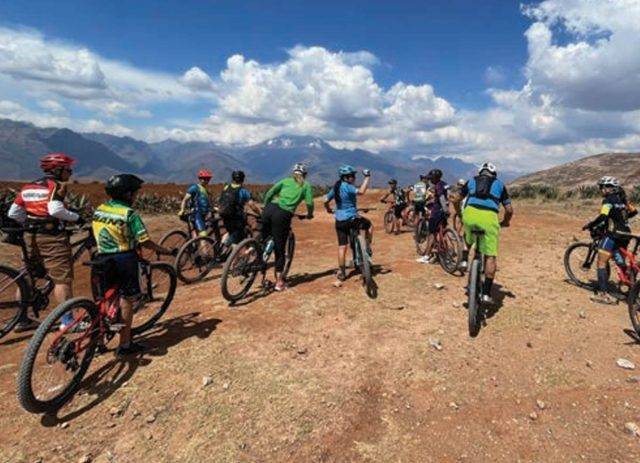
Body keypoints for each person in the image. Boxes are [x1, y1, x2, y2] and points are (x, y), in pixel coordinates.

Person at [92, 174, 175, 356]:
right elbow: (145, 241)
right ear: (128, 194)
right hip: (123, 259)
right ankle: (125, 344)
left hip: (102, 257)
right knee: (127, 299)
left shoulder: (100, 209)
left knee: (104, 299)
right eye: (135, 193)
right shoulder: (130, 214)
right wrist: (166, 251)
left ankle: (98, 343)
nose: (137, 196)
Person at [8, 153, 84, 332]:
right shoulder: (56, 186)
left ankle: (22, 319)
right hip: (51, 238)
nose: (70, 173)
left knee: (28, 276)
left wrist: (31, 221)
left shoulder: (28, 187)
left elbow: (13, 212)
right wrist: (77, 218)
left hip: (29, 236)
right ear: (58, 170)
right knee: (62, 279)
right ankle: (68, 322)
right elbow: (55, 209)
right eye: (68, 169)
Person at [459, 162, 513, 303]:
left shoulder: (471, 181)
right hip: (489, 219)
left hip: (470, 215)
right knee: (490, 256)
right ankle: (486, 294)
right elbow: (509, 210)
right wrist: (506, 222)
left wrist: (461, 214)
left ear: (480, 172)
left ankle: (464, 261)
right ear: (494, 174)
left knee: (467, 237)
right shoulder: (500, 185)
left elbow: (456, 199)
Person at [583, 176, 637, 305]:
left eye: (601, 187)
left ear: (608, 188)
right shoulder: (623, 199)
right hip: (626, 234)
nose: (601, 190)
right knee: (620, 259)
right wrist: (622, 218)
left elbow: (603, 216)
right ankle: (631, 287)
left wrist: (590, 225)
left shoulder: (607, 201)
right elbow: (634, 212)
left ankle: (603, 295)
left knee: (601, 262)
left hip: (614, 234)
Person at [262, 163, 314, 291]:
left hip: (269, 209)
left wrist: (265, 206)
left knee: (263, 240)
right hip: (283, 214)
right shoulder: (306, 185)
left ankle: (250, 253)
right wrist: (310, 214)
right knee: (280, 250)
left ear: (293, 173)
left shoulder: (285, 180)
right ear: (305, 175)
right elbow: (309, 202)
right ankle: (279, 282)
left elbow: (270, 193)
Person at [324, 165, 372, 283]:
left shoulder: (335, 187)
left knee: (342, 246)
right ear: (346, 177)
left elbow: (325, 200)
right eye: (352, 176)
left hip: (339, 221)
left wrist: (328, 209)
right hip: (351, 218)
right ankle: (367, 247)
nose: (354, 178)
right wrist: (367, 177)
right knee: (369, 225)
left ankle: (342, 273)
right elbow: (361, 192)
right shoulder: (348, 186)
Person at [217, 170, 262, 245]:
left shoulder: (226, 187)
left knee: (230, 231)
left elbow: (221, 199)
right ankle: (228, 246)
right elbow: (252, 205)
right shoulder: (243, 191)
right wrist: (259, 213)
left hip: (224, 214)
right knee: (240, 233)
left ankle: (223, 245)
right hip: (236, 217)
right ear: (242, 180)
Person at [416, 169, 449, 264]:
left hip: (437, 212)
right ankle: (444, 253)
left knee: (432, 234)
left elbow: (442, 198)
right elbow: (447, 197)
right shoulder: (444, 184)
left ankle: (426, 256)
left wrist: (444, 208)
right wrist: (447, 209)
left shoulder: (438, 186)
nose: (430, 180)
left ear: (435, 178)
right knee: (442, 232)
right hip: (443, 212)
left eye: (431, 178)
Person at [178, 169, 213, 237]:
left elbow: (207, 203)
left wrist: (213, 208)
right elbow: (185, 200)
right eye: (204, 179)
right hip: (196, 214)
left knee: (198, 233)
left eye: (208, 179)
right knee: (203, 235)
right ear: (200, 179)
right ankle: (202, 246)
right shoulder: (194, 188)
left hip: (203, 214)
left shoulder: (206, 190)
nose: (206, 181)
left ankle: (195, 244)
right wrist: (182, 210)